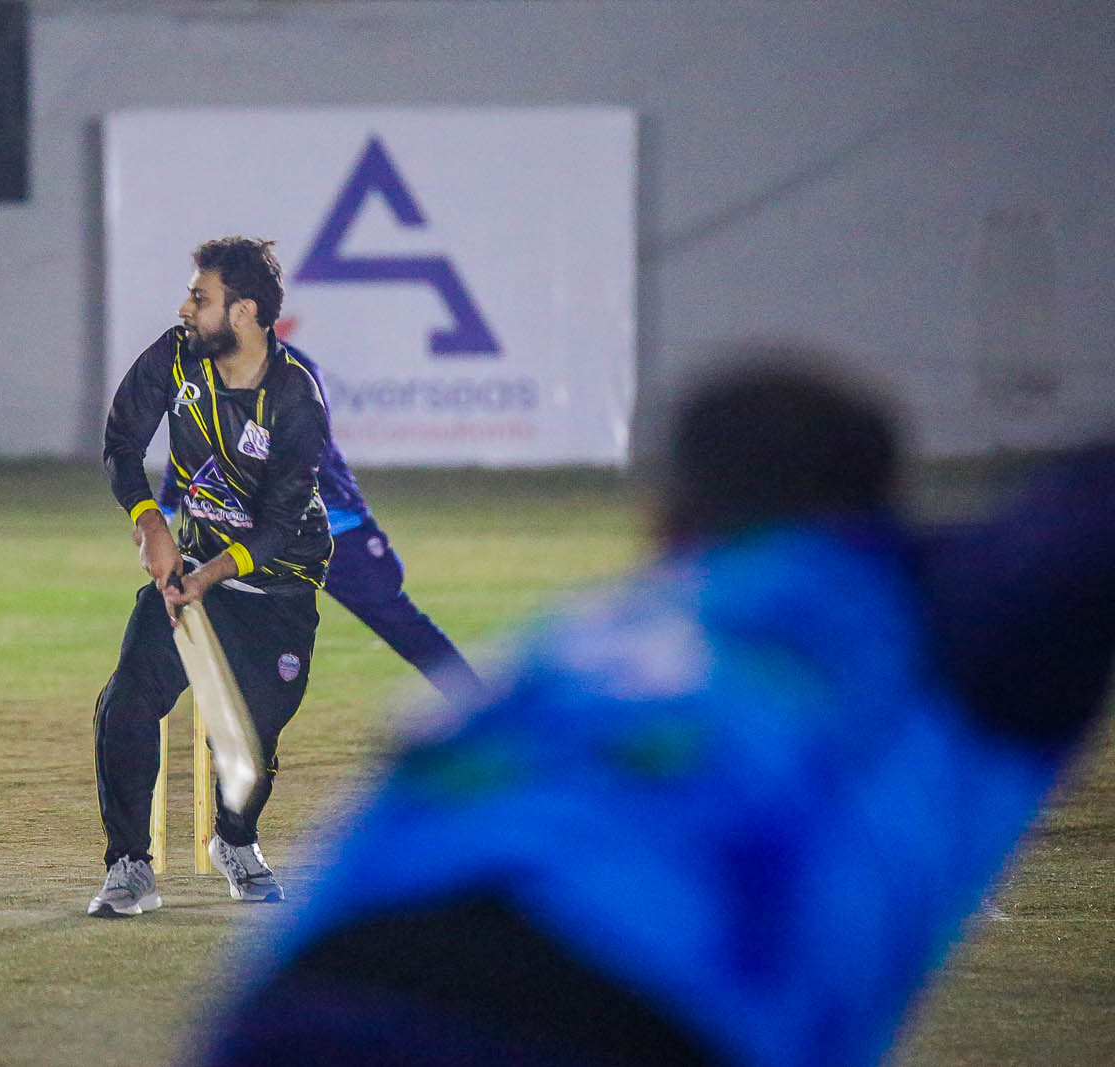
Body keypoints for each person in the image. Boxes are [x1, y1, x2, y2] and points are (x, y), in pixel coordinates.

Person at [198, 347, 1115, 1065]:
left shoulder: (565, 643)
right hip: (632, 1016)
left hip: (296, 1008)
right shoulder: (917, 618)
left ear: (661, 525)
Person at [89, 236, 333, 918]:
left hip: (279, 586)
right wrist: (149, 521)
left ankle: (235, 841)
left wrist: (211, 575)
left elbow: (280, 524)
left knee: (248, 741)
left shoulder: (295, 397)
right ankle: (129, 865)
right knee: (129, 699)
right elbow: (122, 440)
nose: (185, 308)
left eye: (201, 297)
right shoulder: (177, 355)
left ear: (244, 312)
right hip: (191, 570)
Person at [157, 348, 481, 700]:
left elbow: (308, 449)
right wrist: (167, 507)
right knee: (221, 626)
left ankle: (475, 702)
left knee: (397, 620)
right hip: (254, 538)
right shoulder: (204, 373)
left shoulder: (294, 370)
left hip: (333, 529)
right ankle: (208, 723)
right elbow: (191, 445)